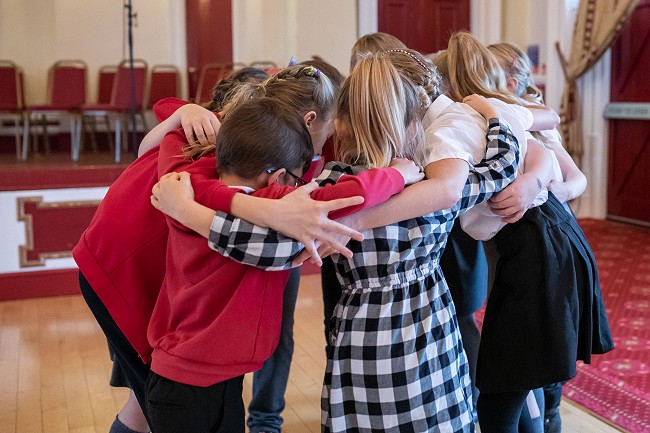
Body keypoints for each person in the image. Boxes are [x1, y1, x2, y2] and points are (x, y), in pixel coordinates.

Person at [152, 49, 521, 433]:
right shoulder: (432, 183)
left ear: (344, 121)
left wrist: (190, 213)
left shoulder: (329, 186)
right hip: (428, 331)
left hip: (362, 339)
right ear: (413, 121)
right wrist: (493, 115)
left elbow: (267, 247)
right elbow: (501, 166)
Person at [72, 64, 363, 430]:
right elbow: (178, 182)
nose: (328, 141)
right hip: (121, 264)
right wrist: (263, 207)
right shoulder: (249, 142)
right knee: (157, 405)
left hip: (140, 257)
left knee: (148, 401)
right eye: (330, 125)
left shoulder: (260, 129)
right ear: (308, 120)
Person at [145, 96, 422, 433]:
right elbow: (347, 195)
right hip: (194, 379)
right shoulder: (267, 199)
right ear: (275, 175)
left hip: (188, 372)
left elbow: (171, 139)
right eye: (296, 178)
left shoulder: (186, 188)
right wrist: (397, 173)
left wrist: (184, 113)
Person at [435, 31, 614, 433]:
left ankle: (550, 419)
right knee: (516, 375)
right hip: (533, 246)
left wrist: (537, 186)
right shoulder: (495, 111)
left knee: (511, 383)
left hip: (539, 247)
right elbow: (542, 122)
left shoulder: (473, 116)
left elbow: (562, 164)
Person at [487, 41, 590, 433]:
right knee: (525, 363)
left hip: (547, 245)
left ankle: (549, 418)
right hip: (513, 251)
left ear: (511, 82)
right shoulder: (500, 118)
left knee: (543, 369)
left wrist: (546, 191)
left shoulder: (529, 119)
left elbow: (576, 179)